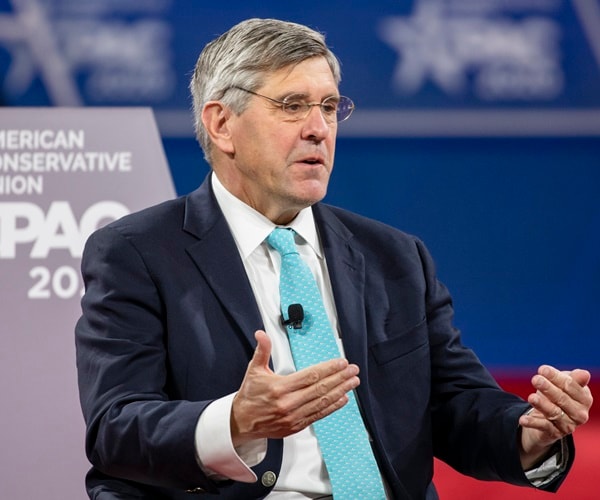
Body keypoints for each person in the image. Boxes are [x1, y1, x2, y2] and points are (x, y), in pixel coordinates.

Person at [75, 18, 593, 500]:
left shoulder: (395, 257)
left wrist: (528, 433)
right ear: (221, 125)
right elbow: (117, 429)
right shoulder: (138, 253)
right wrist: (235, 421)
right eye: (292, 105)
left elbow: (455, 403)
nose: (319, 128)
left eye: (329, 106)